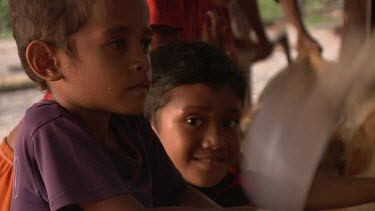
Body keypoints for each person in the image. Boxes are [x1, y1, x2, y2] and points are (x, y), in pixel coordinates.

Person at [8, 0, 254, 210]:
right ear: (47, 61)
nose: (143, 61)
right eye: (118, 43)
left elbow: (180, 194)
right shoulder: (50, 130)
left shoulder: (128, 124)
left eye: (144, 43)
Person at [144, 40, 375, 210]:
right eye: (193, 121)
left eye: (229, 122)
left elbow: (291, 192)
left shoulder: (230, 181)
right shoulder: (134, 191)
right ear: (147, 125)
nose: (216, 140)